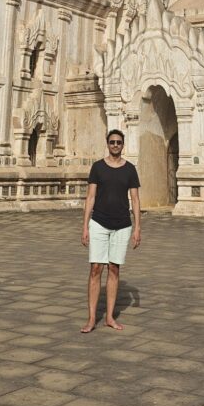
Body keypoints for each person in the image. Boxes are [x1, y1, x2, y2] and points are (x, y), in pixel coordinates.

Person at [80, 128, 141, 332]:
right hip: (98, 222)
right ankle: (91, 319)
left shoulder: (130, 169)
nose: (115, 145)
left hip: (122, 224)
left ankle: (109, 317)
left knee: (114, 268)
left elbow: (135, 199)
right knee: (96, 268)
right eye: (112, 142)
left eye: (119, 142)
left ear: (123, 145)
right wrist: (85, 226)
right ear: (108, 144)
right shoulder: (97, 167)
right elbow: (90, 197)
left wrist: (138, 227)